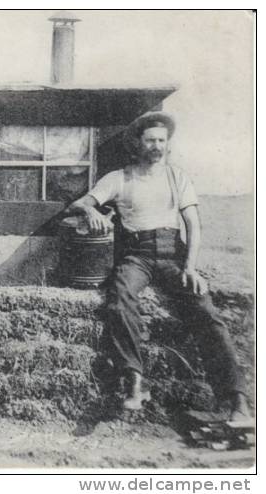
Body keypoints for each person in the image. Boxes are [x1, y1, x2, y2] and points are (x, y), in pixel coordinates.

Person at [65, 111, 251, 420]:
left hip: (171, 255)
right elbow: (79, 203)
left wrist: (190, 268)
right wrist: (91, 212)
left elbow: (193, 224)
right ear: (137, 144)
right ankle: (133, 381)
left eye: (162, 141)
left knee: (206, 312)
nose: (156, 146)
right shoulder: (119, 178)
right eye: (150, 140)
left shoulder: (177, 177)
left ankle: (236, 399)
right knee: (120, 299)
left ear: (168, 145)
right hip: (136, 255)